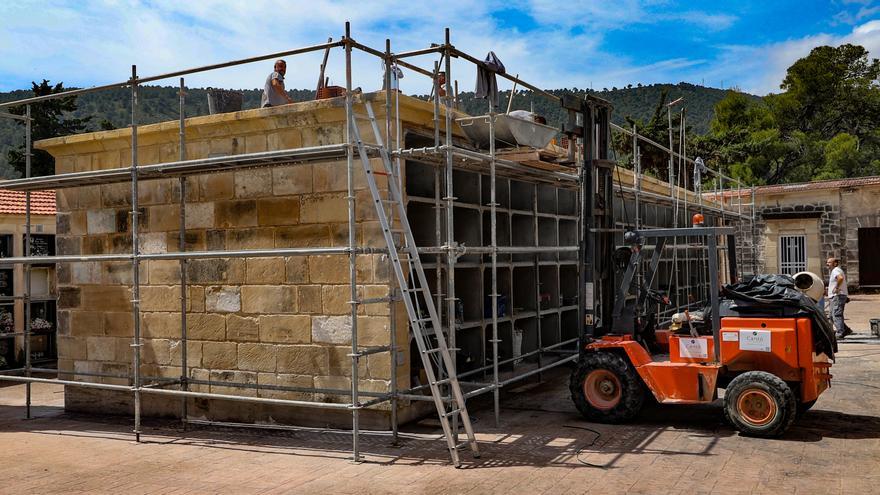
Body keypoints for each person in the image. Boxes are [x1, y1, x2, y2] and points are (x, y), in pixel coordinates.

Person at [826, 257, 853, 339]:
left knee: (836, 314)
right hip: (835, 296)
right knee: (831, 316)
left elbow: (840, 278)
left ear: (835, 263)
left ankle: (840, 332)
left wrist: (837, 288)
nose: (827, 264)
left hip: (837, 296)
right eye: (827, 262)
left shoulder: (836, 270)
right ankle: (846, 329)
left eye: (829, 262)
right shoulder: (835, 271)